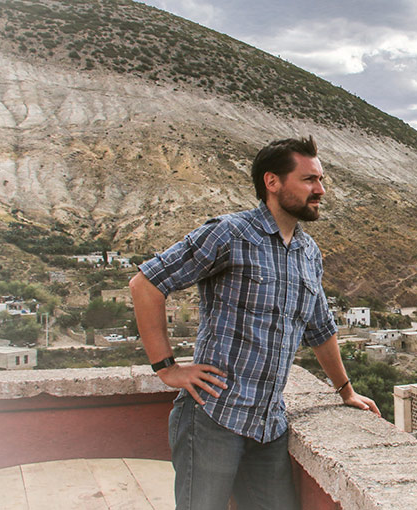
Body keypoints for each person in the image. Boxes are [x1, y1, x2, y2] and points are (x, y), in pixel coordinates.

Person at [129, 136, 379, 510]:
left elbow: (321, 329)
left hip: (268, 425)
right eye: (309, 180)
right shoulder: (229, 233)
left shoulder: (308, 253)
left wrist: (345, 391)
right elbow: (146, 284)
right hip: (213, 417)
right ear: (272, 182)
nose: (320, 190)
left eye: (321, 180)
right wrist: (167, 368)